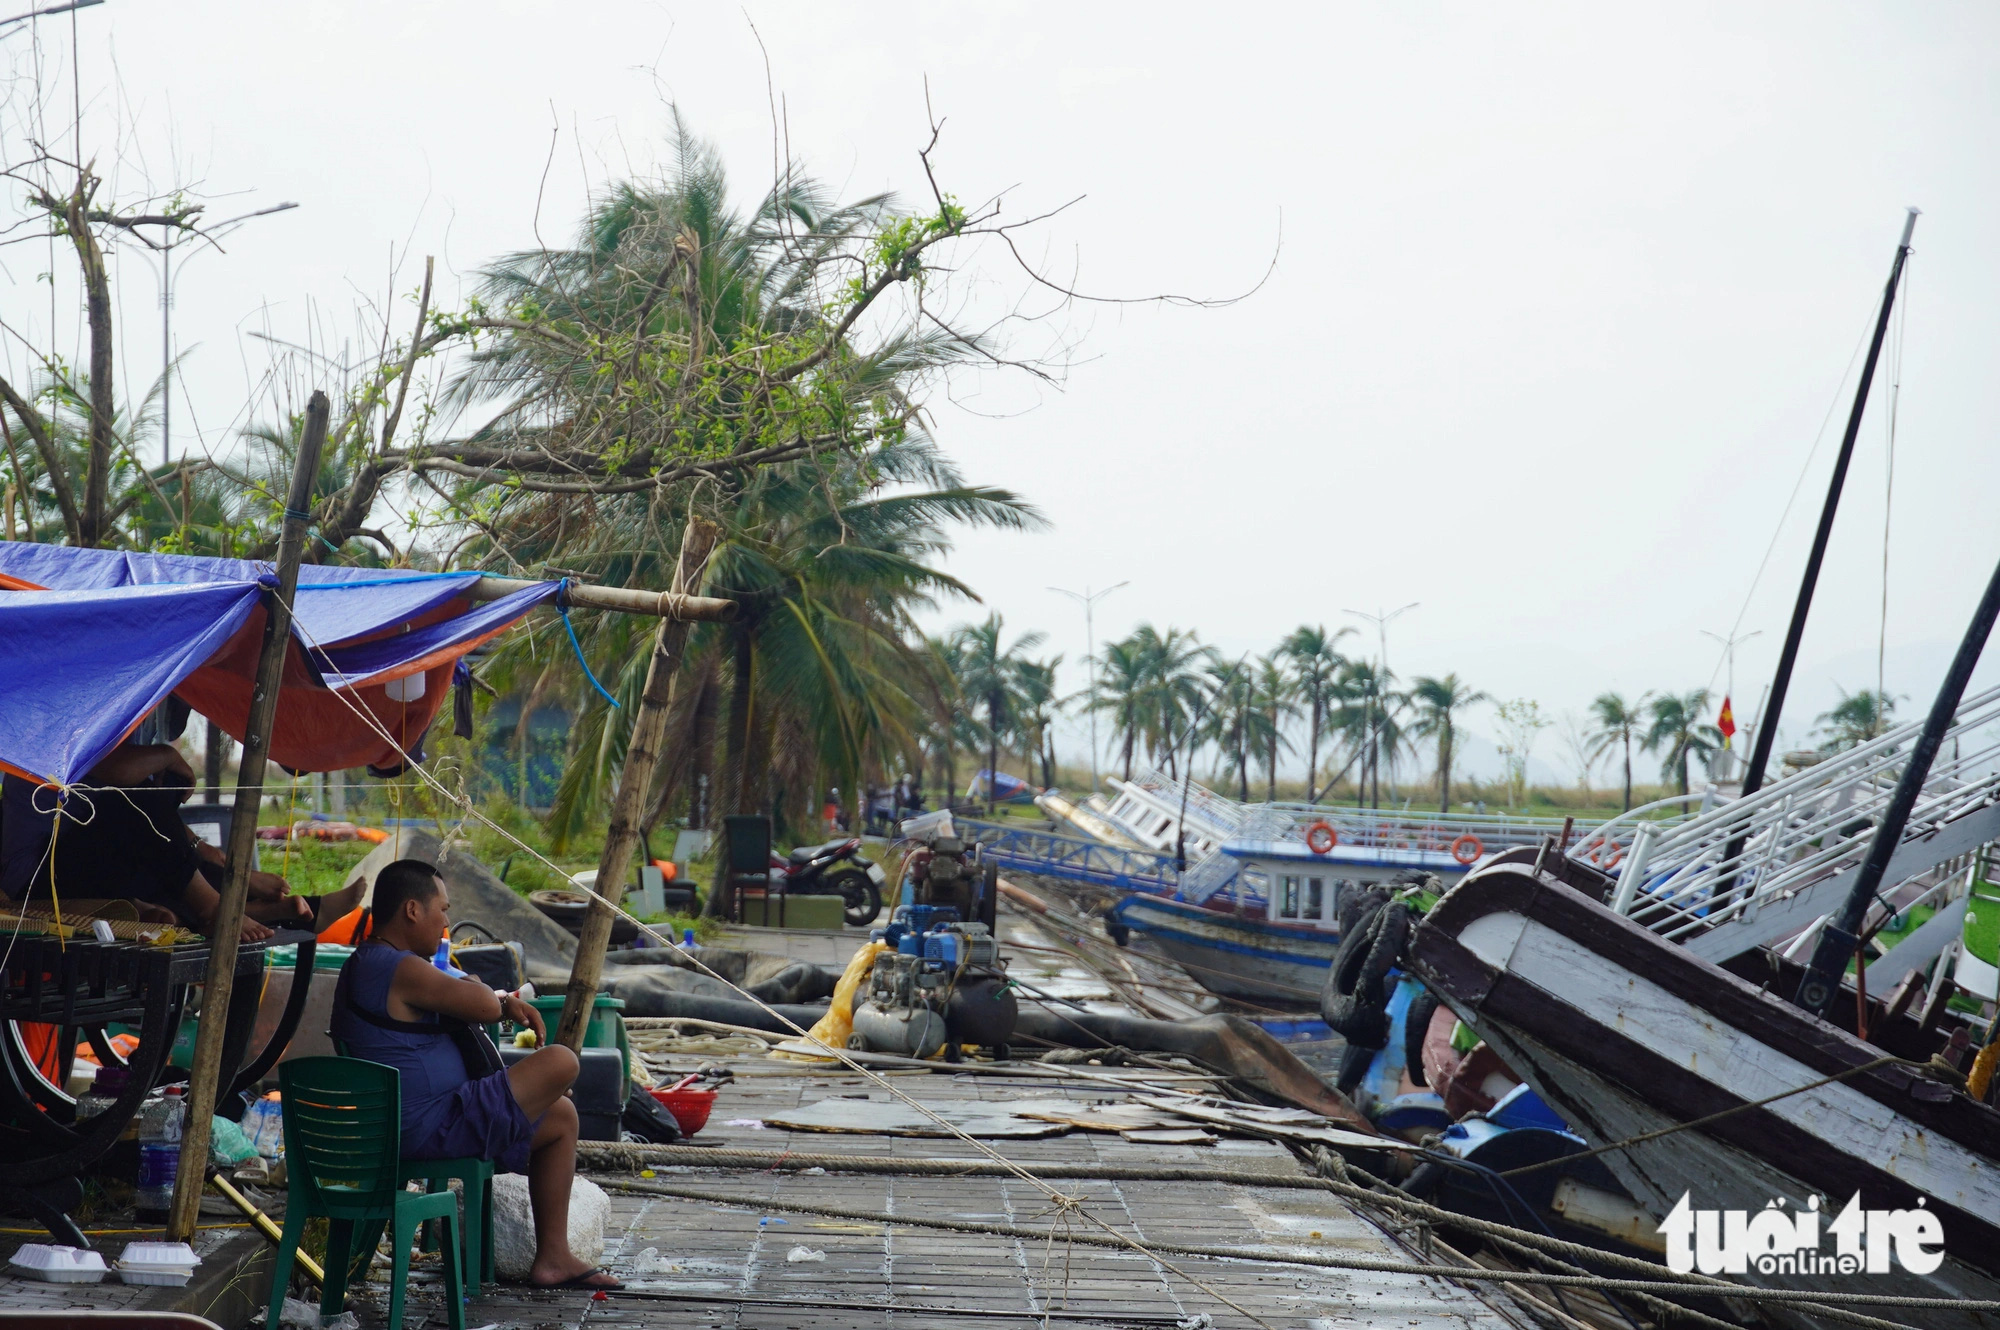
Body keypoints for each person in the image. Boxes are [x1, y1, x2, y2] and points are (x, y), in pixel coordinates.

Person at [329, 858, 620, 1290]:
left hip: (428, 1119)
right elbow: (483, 1005)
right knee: (561, 1062)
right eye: (442, 909)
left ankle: (553, 1258)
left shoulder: (381, 963)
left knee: (560, 1118)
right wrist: (492, 992)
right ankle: (544, 1237)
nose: (447, 922)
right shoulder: (396, 966)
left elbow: (470, 995)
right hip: (426, 1125)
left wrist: (491, 994)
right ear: (412, 910)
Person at [0, 735, 351, 942]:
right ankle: (215, 907)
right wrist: (168, 755)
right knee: (136, 801)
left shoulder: (108, 740)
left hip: (83, 860)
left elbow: (157, 828)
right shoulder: (58, 728)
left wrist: (214, 856)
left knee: (151, 819)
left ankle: (239, 898)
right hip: (36, 877)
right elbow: (124, 785)